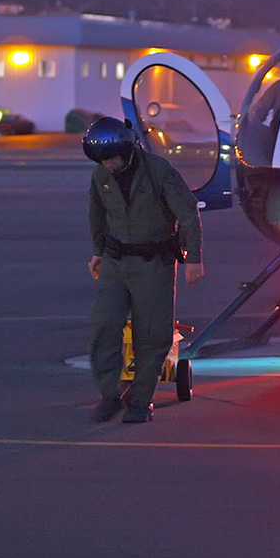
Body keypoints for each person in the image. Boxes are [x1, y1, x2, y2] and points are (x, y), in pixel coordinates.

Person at [83, 116, 204, 423]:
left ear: (127, 149)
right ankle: (110, 395)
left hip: (154, 264)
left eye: (111, 158)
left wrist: (194, 258)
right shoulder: (101, 175)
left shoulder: (159, 172)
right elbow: (97, 214)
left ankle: (140, 400)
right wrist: (98, 253)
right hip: (114, 262)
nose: (107, 164)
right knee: (104, 326)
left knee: (151, 335)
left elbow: (188, 213)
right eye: (102, 160)